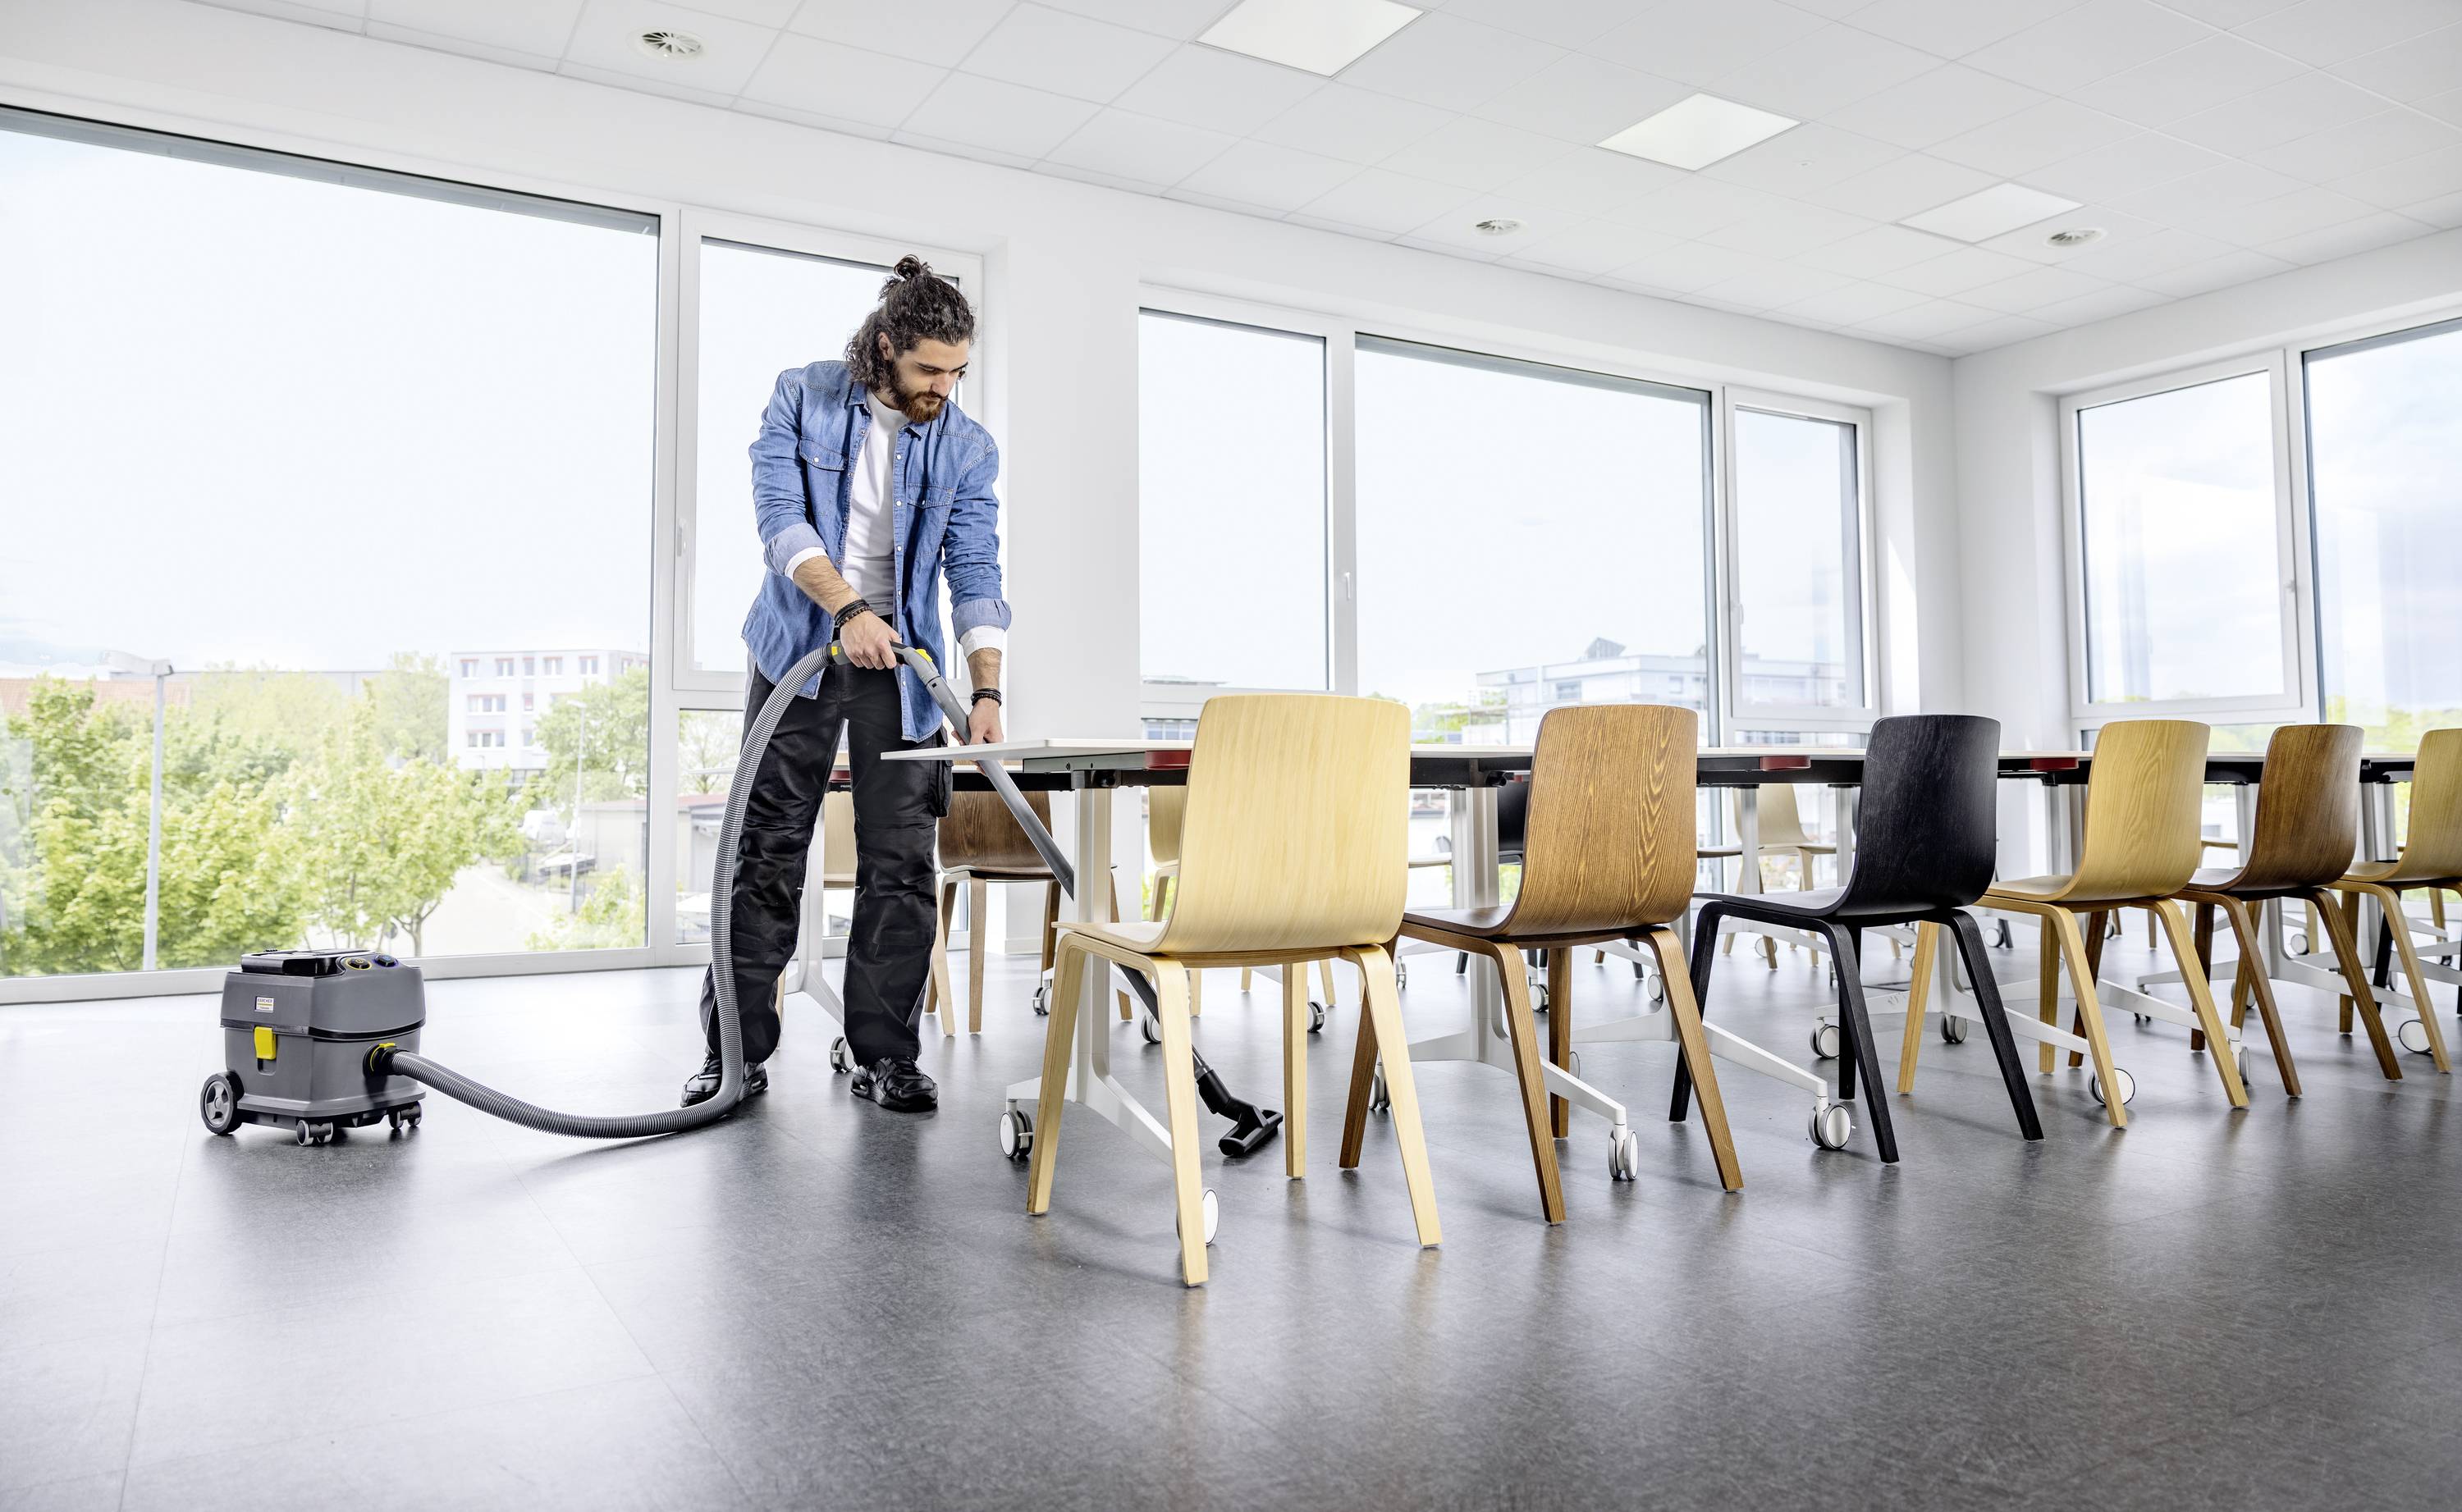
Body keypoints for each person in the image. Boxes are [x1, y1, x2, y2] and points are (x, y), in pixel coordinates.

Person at [683, 257, 1006, 1114]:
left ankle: (885, 1054)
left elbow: (975, 566)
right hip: (801, 645)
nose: (945, 388)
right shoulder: (804, 396)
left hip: (903, 668)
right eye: (931, 369)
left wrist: (986, 690)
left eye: (958, 372)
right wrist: (849, 609)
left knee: (901, 863)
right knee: (766, 848)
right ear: (887, 345)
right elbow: (780, 521)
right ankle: (735, 1054)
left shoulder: (967, 445)